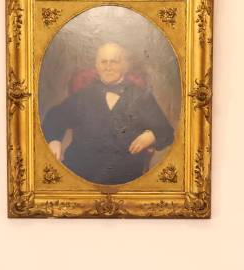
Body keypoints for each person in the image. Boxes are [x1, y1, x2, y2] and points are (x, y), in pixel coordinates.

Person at [42, 41, 175, 185]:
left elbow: (166, 131)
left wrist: (152, 136)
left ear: (124, 66)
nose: (108, 67)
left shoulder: (140, 96)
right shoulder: (84, 95)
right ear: (97, 66)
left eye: (114, 62)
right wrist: (54, 140)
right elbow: (54, 118)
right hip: (81, 169)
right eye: (103, 62)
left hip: (122, 172)